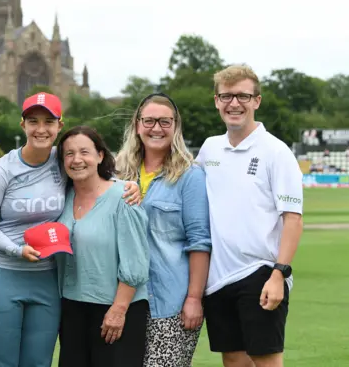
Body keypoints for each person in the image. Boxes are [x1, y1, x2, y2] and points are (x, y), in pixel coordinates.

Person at [0, 93, 141, 367]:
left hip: (47, 279)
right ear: (22, 124)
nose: (41, 129)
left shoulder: (63, 162)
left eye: (49, 121)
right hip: (3, 275)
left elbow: (92, 175)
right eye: (33, 121)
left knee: (39, 362)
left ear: (59, 125)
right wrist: (15, 250)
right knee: (2, 362)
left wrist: (126, 185)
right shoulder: (3, 170)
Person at [196, 65, 304, 367]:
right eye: (226, 96)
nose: (234, 103)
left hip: (260, 273)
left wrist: (278, 274)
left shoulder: (276, 152)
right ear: (216, 101)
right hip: (217, 280)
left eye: (243, 96)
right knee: (233, 360)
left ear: (257, 101)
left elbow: (293, 219)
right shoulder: (209, 149)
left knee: (266, 361)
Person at [115, 93, 211, 367]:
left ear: (176, 126)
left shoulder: (189, 176)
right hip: (125, 300)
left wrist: (194, 298)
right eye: (149, 121)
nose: (156, 128)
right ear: (137, 125)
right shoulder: (118, 172)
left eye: (164, 122)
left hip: (169, 301)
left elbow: (199, 242)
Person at [55, 126, 150, 367]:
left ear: (100, 156)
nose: (76, 160)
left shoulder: (124, 197)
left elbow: (136, 263)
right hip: (72, 308)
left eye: (84, 152)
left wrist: (118, 310)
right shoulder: (61, 199)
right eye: (69, 154)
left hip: (116, 309)